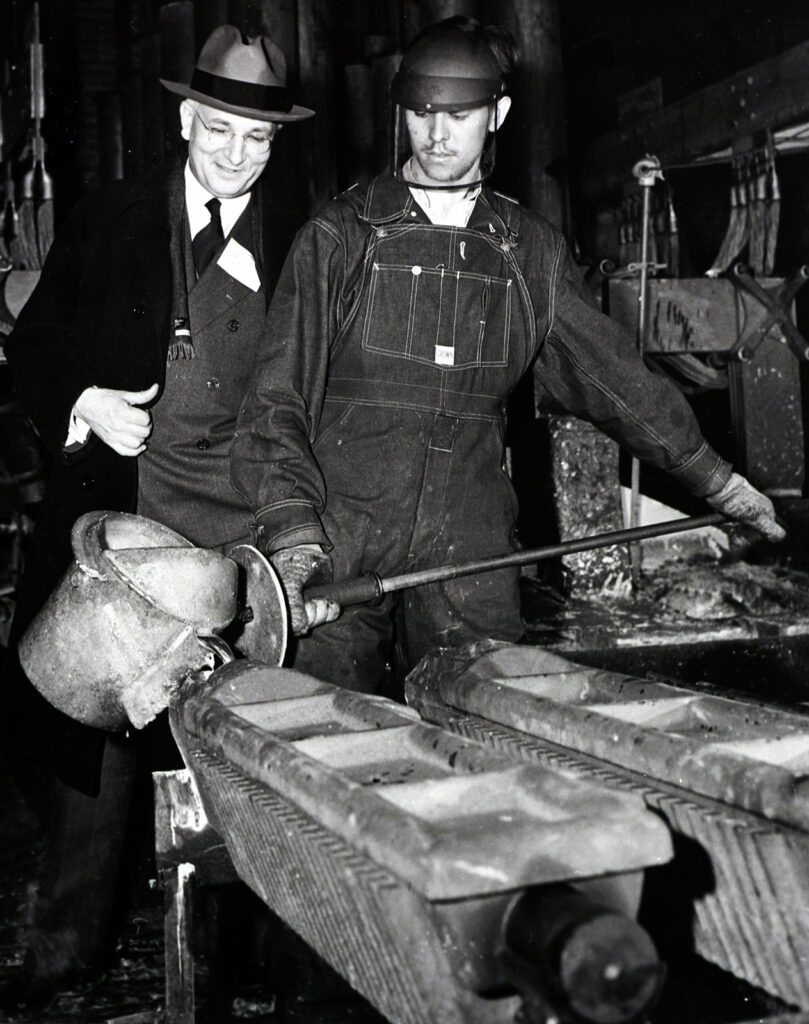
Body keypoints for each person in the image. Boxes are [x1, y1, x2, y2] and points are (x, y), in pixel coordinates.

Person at [231, 15, 785, 696]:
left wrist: (717, 482)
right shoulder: (340, 237)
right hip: (340, 533)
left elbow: (615, 381)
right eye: (421, 113)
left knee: (491, 713)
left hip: (470, 543)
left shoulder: (528, 250)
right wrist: (291, 536)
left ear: (497, 115)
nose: (436, 136)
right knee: (328, 729)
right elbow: (273, 400)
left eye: (458, 116)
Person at [1, 24, 312, 1000]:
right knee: (95, 739)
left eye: (255, 140)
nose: (234, 154)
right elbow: (37, 342)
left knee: (233, 739)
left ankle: (241, 961)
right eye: (218, 130)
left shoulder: (300, 237)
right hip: (121, 522)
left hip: (237, 524)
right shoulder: (111, 217)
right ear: (187, 119)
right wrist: (85, 401)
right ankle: (66, 951)